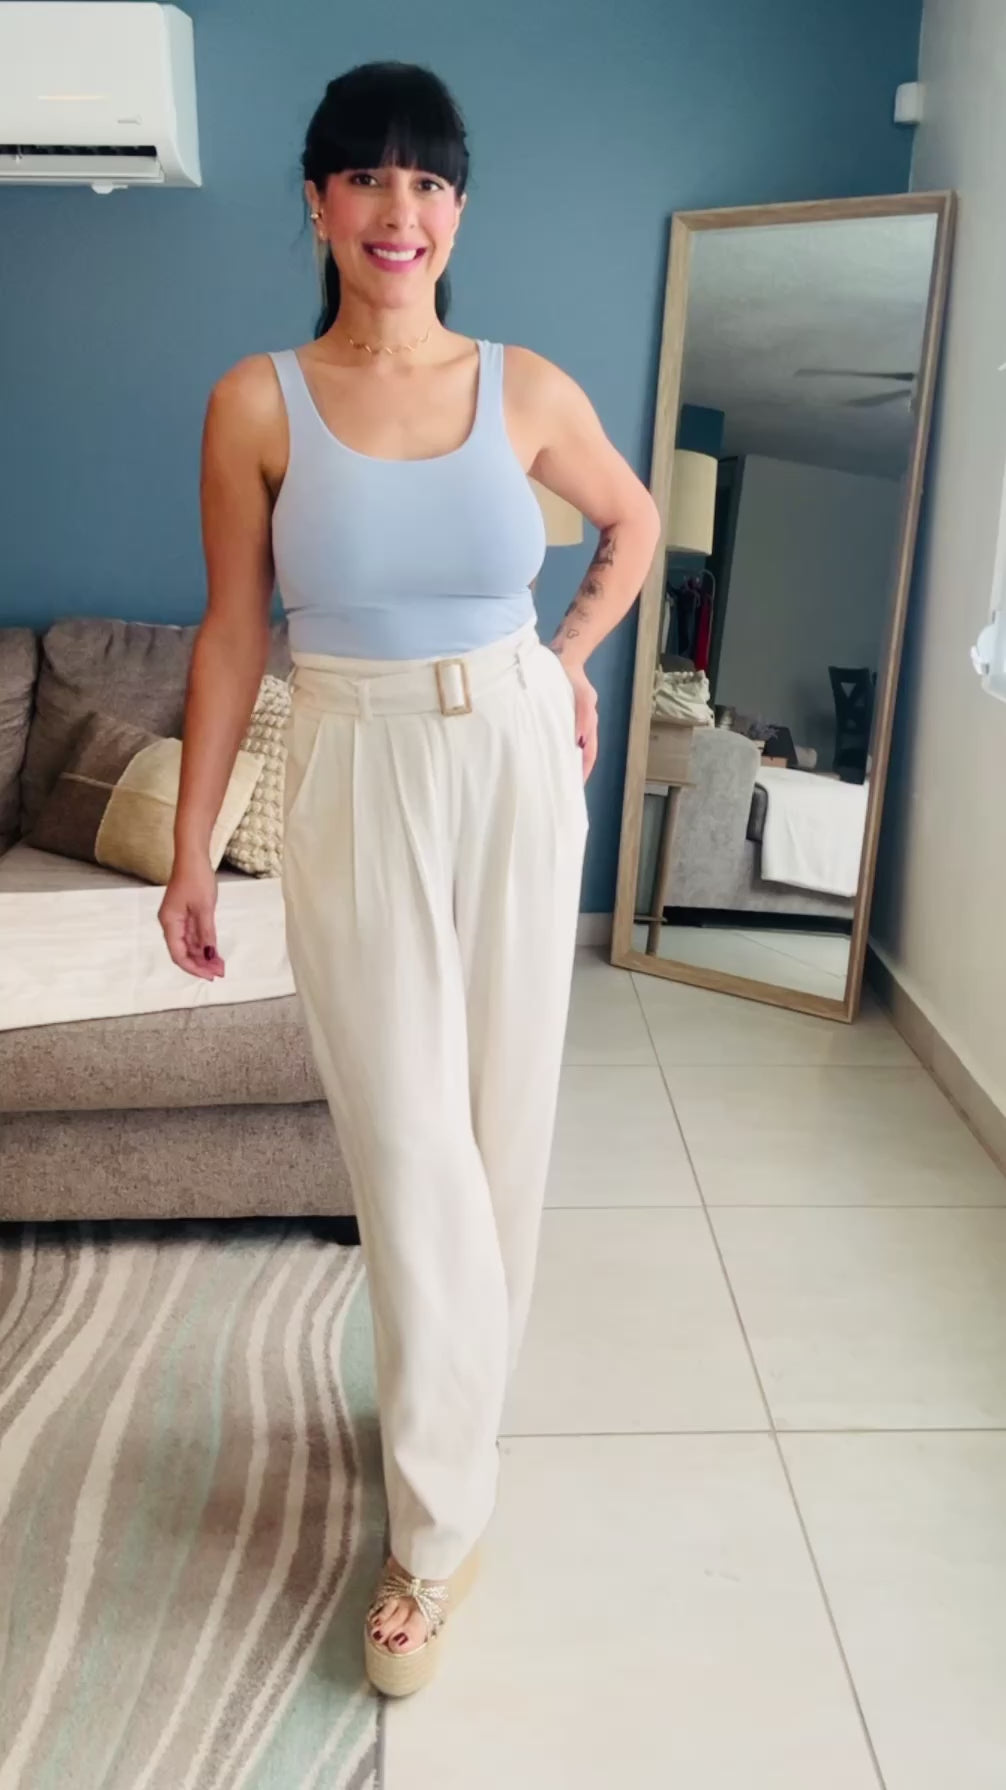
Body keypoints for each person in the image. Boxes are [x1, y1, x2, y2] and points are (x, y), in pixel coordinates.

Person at [158, 60, 661, 1698]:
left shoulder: (521, 386)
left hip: (508, 749)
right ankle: (434, 1531)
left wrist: (565, 658)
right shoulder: (257, 401)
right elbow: (233, 634)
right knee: (405, 1136)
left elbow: (632, 522)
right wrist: (189, 848)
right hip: (351, 758)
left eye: (430, 180)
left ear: (458, 209)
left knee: (502, 1118)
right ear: (316, 201)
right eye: (369, 177)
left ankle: (443, 1464)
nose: (401, 210)